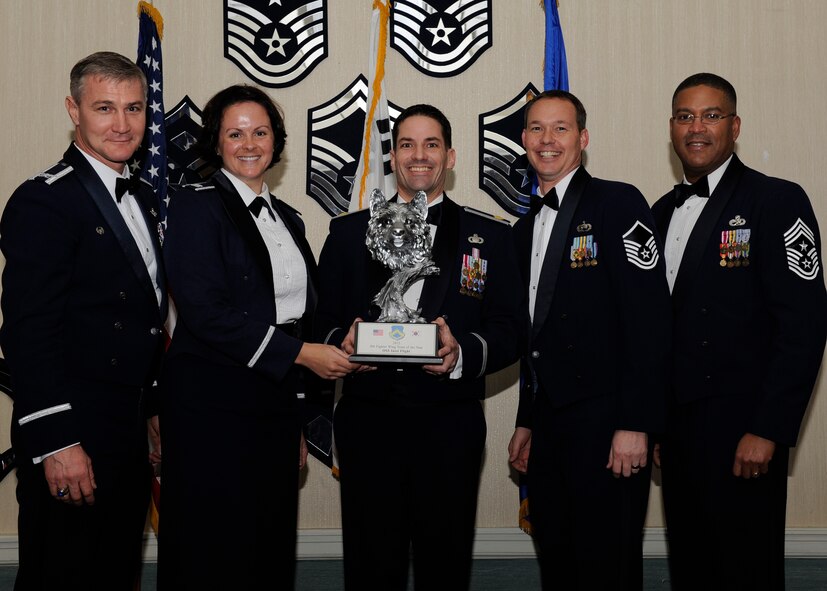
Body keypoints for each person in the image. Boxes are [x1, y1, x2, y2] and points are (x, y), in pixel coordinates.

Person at [315, 104, 521, 590]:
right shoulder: (348, 233)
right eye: (406, 144)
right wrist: (341, 347)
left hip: (449, 424)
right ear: (392, 157)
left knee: (444, 564)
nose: (419, 155)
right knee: (370, 564)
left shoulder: (489, 236)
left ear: (450, 156)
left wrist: (461, 354)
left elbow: (510, 328)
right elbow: (319, 323)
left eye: (431, 145)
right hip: (368, 423)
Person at [157, 84, 355, 590]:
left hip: (273, 398)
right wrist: (305, 355)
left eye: (260, 131)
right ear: (216, 143)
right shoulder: (194, 206)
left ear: (276, 139)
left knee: (267, 539)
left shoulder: (286, 217)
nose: (249, 143)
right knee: (212, 544)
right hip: (211, 402)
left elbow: (301, 313)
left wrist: (303, 408)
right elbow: (206, 314)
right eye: (236, 133)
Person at [651, 73, 827, 591]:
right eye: (685, 116)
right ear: (672, 129)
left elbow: (804, 323)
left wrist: (770, 428)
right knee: (692, 566)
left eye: (711, 115)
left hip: (745, 433)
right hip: (679, 436)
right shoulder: (660, 214)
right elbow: (657, 332)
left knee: (747, 570)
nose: (697, 127)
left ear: (735, 126)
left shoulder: (778, 201)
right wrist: (657, 420)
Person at [0, 51, 167, 589]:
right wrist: (57, 443)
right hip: (71, 435)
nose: (122, 124)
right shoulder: (42, 202)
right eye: (104, 108)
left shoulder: (141, 196)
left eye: (135, 108)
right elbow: (30, 332)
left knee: (116, 574)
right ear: (74, 110)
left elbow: (142, 317)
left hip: (124, 431)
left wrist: (152, 409)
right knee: (62, 576)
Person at [507, 90, 671, 590]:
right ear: (523, 140)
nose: (548, 140)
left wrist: (636, 423)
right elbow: (535, 340)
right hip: (551, 427)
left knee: (608, 567)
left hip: (608, 426)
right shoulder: (523, 228)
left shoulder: (618, 202)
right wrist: (527, 421)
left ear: (583, 138)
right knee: (558, 560)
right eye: (537, 128)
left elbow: (648, 319)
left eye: (560, 128)